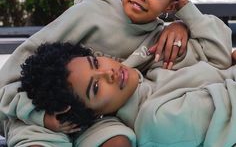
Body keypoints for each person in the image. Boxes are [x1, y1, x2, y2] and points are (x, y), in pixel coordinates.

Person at [0, 0, 229, 147]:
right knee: (34, 138)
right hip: (40, 112)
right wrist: (40, 115)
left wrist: (184, 18)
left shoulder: (161, 36)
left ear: (170, 6)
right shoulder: (90, 13)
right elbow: (10, 78)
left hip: (101, 118)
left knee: (117, 139)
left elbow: (218, 58)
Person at [18, 38, 235, 147]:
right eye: (95, 87)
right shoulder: (159, 119)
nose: (108, 73)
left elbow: (219, 49)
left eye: (95, 62)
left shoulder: (153, 70)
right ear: (93, 114)